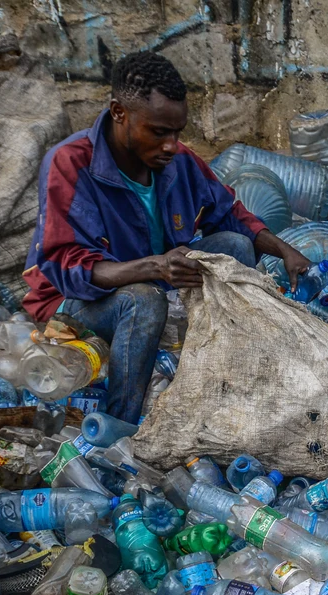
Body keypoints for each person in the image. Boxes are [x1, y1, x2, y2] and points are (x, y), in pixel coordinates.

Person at [22, 50, 312, 424]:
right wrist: (156, 267)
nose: (171, 145)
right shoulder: (71, 163)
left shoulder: (178, 162)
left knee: (235, 246)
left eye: (177, 132)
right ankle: (119, 426)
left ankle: (227, 382)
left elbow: (230, 214)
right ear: (119, 113)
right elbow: (71, 270)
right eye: (159, 132)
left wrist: (283, 249)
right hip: (74, 302)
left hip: (154, 278)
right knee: (144, 300)